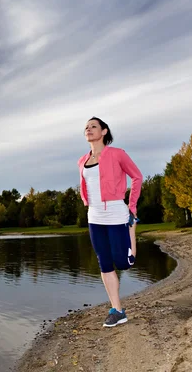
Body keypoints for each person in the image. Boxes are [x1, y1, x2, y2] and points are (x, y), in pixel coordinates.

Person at [78, 117, 143, 327]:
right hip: (94, 216)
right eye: (86, 127)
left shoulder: (117, 154)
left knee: (123, 263)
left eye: (93, 126)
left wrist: (132, 206)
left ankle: (132, 229)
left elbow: (137, 177)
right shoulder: (82, 161)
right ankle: (117, 310)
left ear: (104, 131)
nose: (88, 129)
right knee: (104, 263)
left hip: (116, 212)